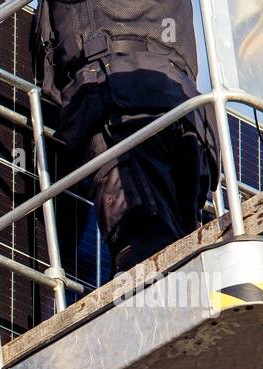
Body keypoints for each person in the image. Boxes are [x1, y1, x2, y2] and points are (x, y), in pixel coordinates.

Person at [32, 0, 220, 273]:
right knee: (182, 253)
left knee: (144, 249)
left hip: (118, 99)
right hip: (184, 110)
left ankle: (153, 303)